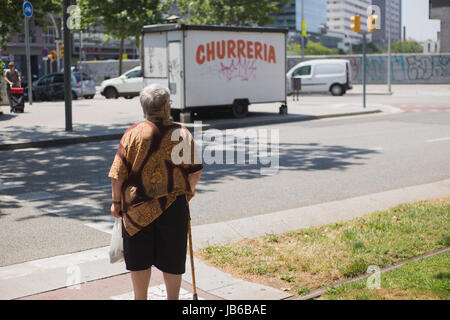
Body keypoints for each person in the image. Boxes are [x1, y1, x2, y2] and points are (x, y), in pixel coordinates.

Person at [108, 84, 203, 300]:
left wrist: (116, 203)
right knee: (172, 260)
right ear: (167, 107)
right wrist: (187, 193)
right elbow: (194, 172)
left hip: (136, 210)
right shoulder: (181, 134)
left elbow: (118, 174)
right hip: (173, 207)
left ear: (145, 108)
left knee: (139, 261)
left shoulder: (132, 134)